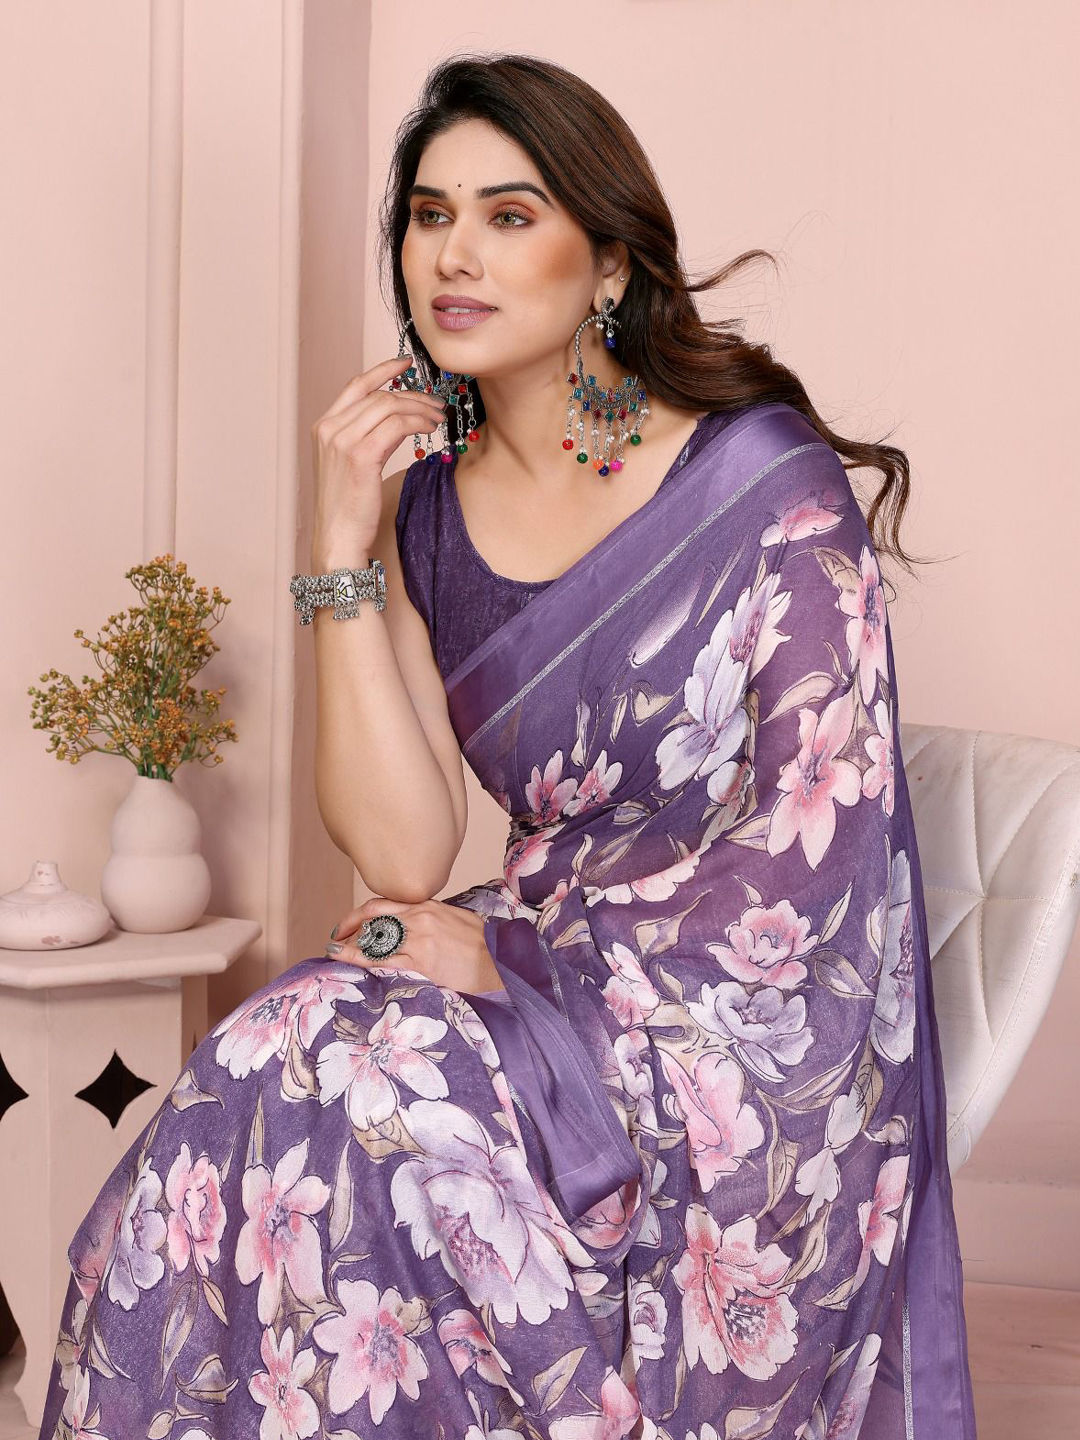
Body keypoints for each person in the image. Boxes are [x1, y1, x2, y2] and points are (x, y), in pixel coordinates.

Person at [37, 53, 976, 1440]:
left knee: (375, 1098)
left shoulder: (759, 479)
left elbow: (820, 839)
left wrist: (527, 966)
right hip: (521, 953)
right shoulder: (429, 514)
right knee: (269, 1056)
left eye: (508, 215)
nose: (453, 255)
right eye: (429, 216)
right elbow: (406, 854)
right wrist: (342, 544)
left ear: (609, 265)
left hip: (735, 1026)